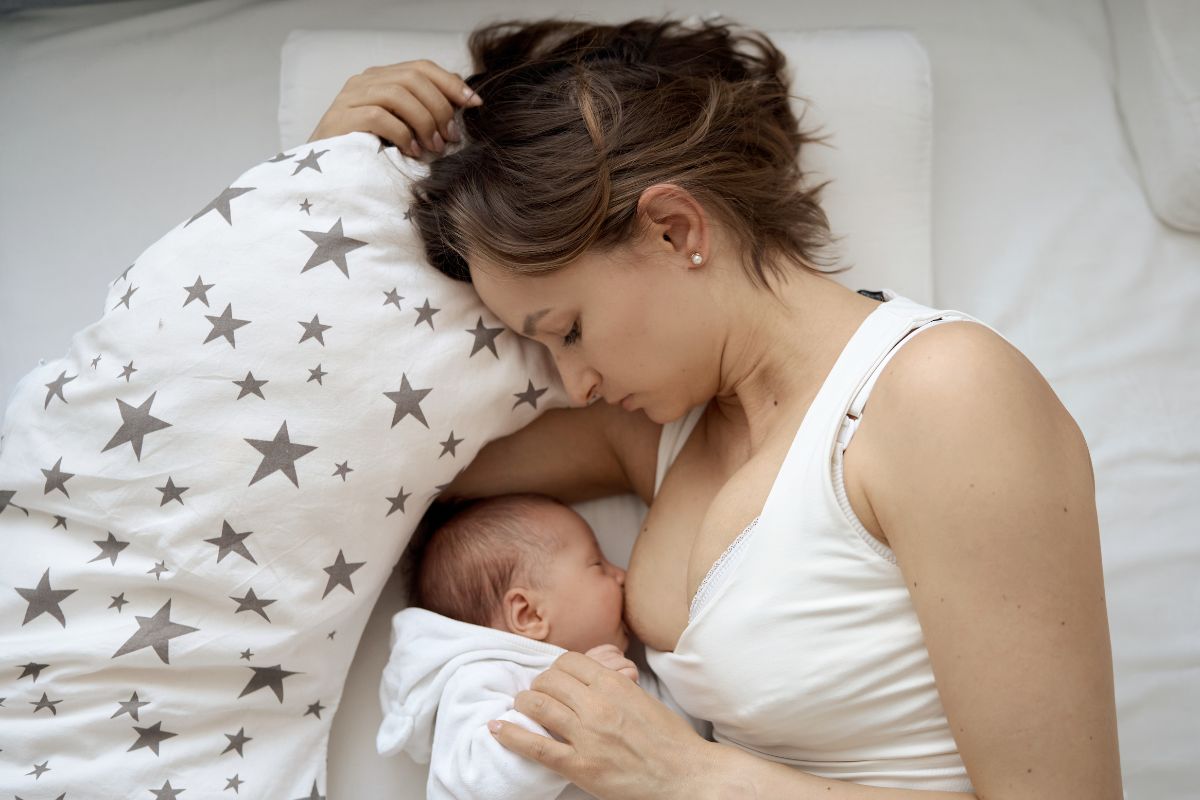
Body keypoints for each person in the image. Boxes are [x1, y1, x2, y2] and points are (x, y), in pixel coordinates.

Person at [312, 17, 1124, 800]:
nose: (575, 380)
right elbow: (337, 476)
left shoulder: (944, 395)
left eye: (570, 330)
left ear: (673, 229)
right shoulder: (660, 430)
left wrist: (691, 780)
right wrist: (323, 182)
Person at [378, 492, 686, 800]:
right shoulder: (482, 676)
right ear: (529, 614)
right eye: (598, 564)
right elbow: (471, 784)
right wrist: (566, 716)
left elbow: (684, 742)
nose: (621, 575)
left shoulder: (616, 670)